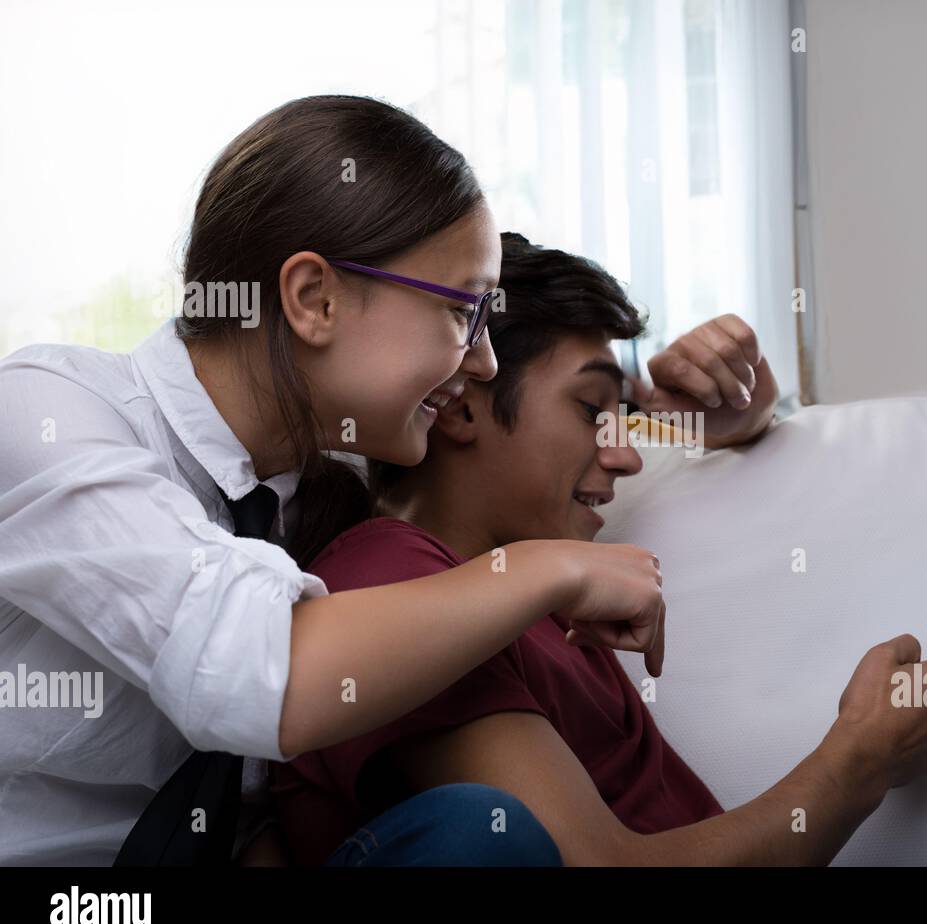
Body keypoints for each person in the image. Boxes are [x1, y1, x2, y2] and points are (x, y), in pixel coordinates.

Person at [0, 96, 668, 866]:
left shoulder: (324, 484)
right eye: (464, 316)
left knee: (473, 830)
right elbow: (249, 666)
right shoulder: (48, 413)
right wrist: (541, 571)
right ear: (315, 299)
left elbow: (555, 412)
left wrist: (721, 409)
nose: (482, 364)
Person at [273, 233, 927, 865]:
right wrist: (862, 758)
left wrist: (742, 413)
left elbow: (686, 435)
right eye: (592, 410)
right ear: (462, 400)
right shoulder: (387, 580)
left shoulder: (538, 570)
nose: (625, 456)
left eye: (626, 418)